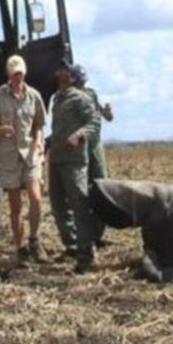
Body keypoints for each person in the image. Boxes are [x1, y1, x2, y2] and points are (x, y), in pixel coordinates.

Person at [0, 54, 47, 263]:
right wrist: (1, 129)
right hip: (8, 155)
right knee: (15, 206)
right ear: (9, 75)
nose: (18, 78)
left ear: (24, 73)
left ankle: (35, 239)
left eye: (20, 73)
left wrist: (38, 142)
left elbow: (39, 124)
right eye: (14, 74)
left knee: (36, 198)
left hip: (30, 154)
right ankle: (20, 247)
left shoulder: (34, 96)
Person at [48, 59, 101, 272]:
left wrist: (79, 135)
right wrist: (47, 142)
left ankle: (86, 254)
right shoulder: (56, 99)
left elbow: (94, 122)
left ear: (72, 77)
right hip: (57, 159)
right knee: (59, 206)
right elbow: (59, 129)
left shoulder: (81, 98)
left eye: (66, 71)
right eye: (60, 70)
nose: (61, 74)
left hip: (75, 161)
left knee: (79, 205)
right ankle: (72, 246)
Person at [70, 64, 113, 244]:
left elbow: (106, 117)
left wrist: (108, 112)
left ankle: (97, 234)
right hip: (79, 148)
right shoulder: (68, 97)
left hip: (94, 146)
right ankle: (84, 236)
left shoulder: (91, 94)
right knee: (81, 192)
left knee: (100, 186)